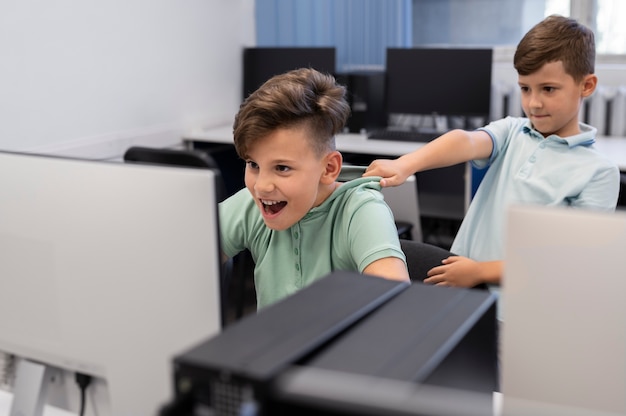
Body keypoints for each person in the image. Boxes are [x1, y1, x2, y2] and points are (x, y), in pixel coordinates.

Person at [363, 15, 620, 318]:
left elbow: (567, 263)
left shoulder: (598, 173)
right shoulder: (513, 131)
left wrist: (480, 272)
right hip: (458, 286)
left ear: (586, 85)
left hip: (517, 311)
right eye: (525, 89)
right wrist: (406, 164)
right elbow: (465, 141)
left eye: (548, 89)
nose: (534, 103)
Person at [219, 67, 409, 310]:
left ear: (329, 168)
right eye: (253, 164)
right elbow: (187, 256)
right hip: (275, 346)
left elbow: (395, 303)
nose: (262, 186)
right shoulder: (253, 203)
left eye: (282, 168)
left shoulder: (361, 210)